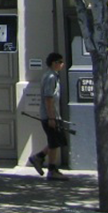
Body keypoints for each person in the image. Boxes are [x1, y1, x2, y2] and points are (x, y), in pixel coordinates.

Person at [28, 52, 67, 180]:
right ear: (53, 63)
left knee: (55, 141)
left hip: (52, 115)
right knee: (54, 141)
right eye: (60, 62)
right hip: (50, 116)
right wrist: (51, 118)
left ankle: (39, 158)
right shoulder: (50, 77)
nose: (62, 64)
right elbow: (48, 98)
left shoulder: (51, 76)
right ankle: (51, 169)